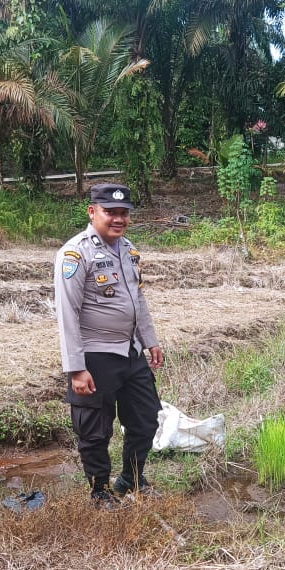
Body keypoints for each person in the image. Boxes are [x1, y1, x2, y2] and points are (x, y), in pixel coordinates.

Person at [55, 182, 164, 506]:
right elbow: (67, 313)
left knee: (146, 417)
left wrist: (150, 340)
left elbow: (138, 300)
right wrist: (76, 368)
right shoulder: (75, 253)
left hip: (130, 351)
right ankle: (99, 489)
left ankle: (131, 478)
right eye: (110, 212)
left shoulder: (128, 250)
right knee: (95, 429)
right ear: (92, 212)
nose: (118, 219)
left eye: (124, 213)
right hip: (95, 354)